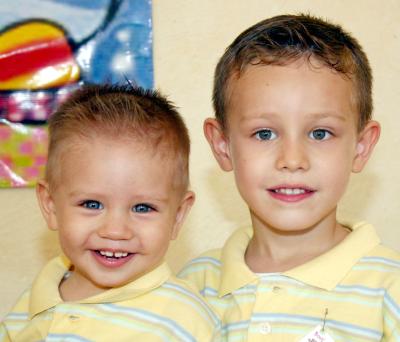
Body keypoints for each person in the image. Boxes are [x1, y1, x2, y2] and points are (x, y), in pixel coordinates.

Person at [178, 14, 400, 341]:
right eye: (265, 133)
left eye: (320, 133)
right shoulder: (192, 288)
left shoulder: (389, 289)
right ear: (222, 145)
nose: (292, 160)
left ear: (361, 146)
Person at [0, 84, 221, 341]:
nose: (115, 231)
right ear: (50, 205)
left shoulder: (186, 319)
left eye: (142, 208)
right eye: (92, 204)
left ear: (178, 216)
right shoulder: (28, 307)